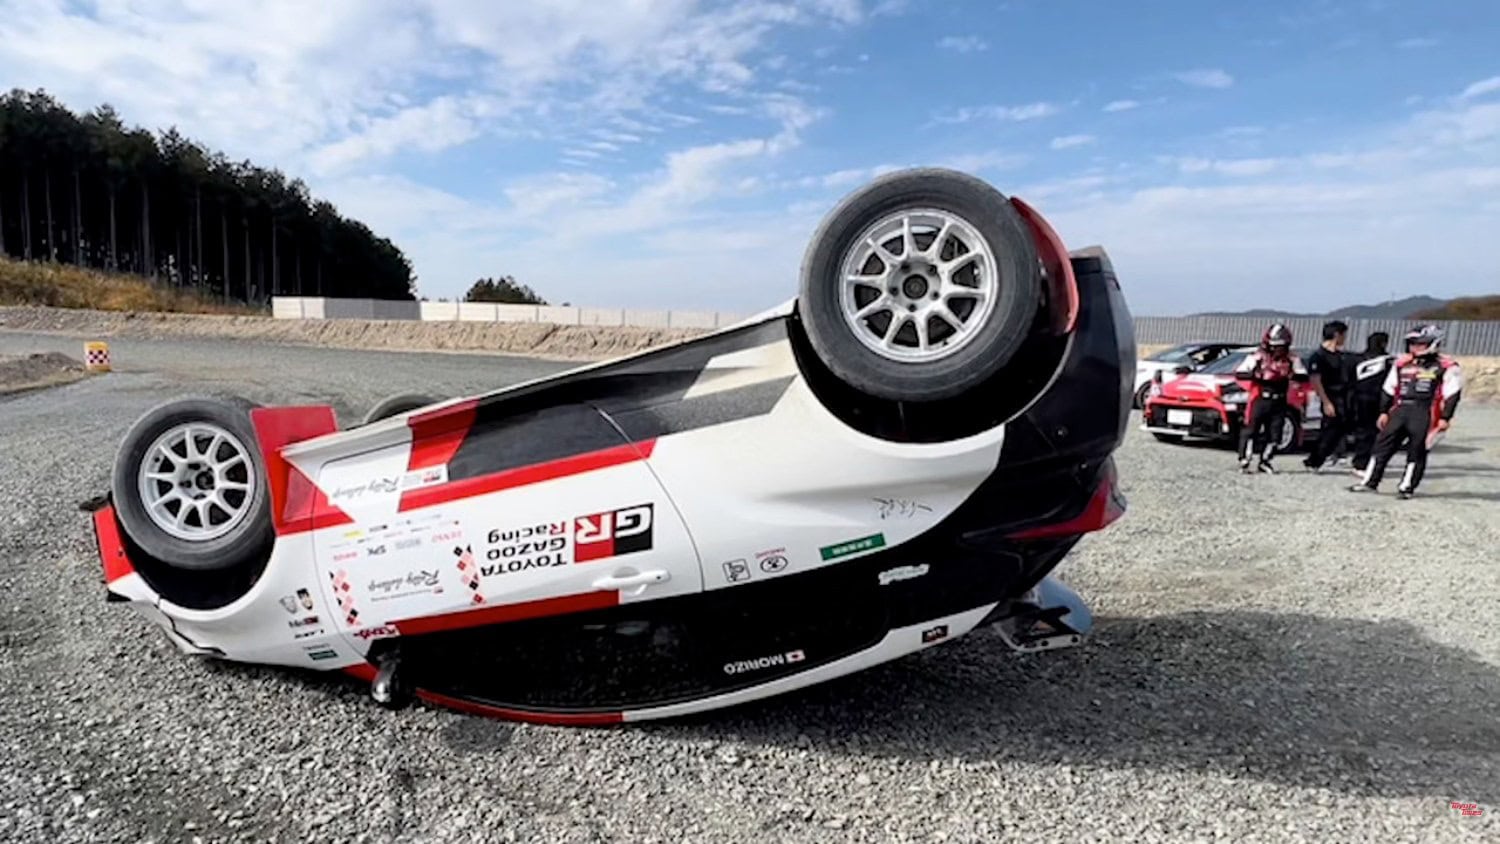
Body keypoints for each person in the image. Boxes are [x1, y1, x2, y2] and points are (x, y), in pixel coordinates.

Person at [1349, 324, 1463, 499]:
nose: (1415, 347)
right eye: (1412, 343)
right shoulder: (1401, 362)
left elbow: (1452, 393)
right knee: (1381, 445)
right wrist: (1384, 411)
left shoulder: (1447, 365)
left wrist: (1446, 417)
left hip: (1426, 411)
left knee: (1417, 450)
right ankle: (1370, 482)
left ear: (1433, 343)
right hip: (1400, 409)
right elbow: (1389, 387)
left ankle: (1407, 487)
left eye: (1420, 343)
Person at [1234, 323, 1309, 473]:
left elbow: (1303, 376)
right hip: (1260, 399)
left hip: (1280, 401)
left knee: (1275, 434)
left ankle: (1266, 460)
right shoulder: (1258, 357)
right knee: (1251, 430)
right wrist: (1257, 375)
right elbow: (1240, 373)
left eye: (1282, 346)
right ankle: (1244, 460)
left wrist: (1290, 375)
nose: (1278, 350)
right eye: (1275, 346)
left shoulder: (1292, 359)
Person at [1301, 320, 1353, 471]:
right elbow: (1315, 380)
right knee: (1329, 430)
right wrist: (1326, 401)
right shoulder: (1318, 356)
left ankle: (1323, 458)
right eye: (1344, 335)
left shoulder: (1339, 355)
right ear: (1337, 335)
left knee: (1338, 430)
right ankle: (1314, 461)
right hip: (1330, 396)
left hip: (1343, 396)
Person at [1346, 331, 1394, 474]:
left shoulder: (1357, 359)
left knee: (1363, 432)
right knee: (1375, 433)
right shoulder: (1387, 361)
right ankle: (1363, 463)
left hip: (1357, 399)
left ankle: (1362, 461)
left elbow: (1349, 380)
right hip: (1378, 400)